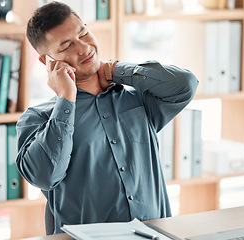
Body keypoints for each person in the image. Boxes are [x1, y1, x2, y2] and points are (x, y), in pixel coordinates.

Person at [16, 1, 198, 234]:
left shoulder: (137, 100)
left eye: (83, 33)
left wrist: (115, 70)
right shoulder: (37, 120)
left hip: (154, 235)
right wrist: (66, 97)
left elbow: (185, 85)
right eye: (67, 45)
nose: (84, 48)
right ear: (47, 61)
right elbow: (46, 175)